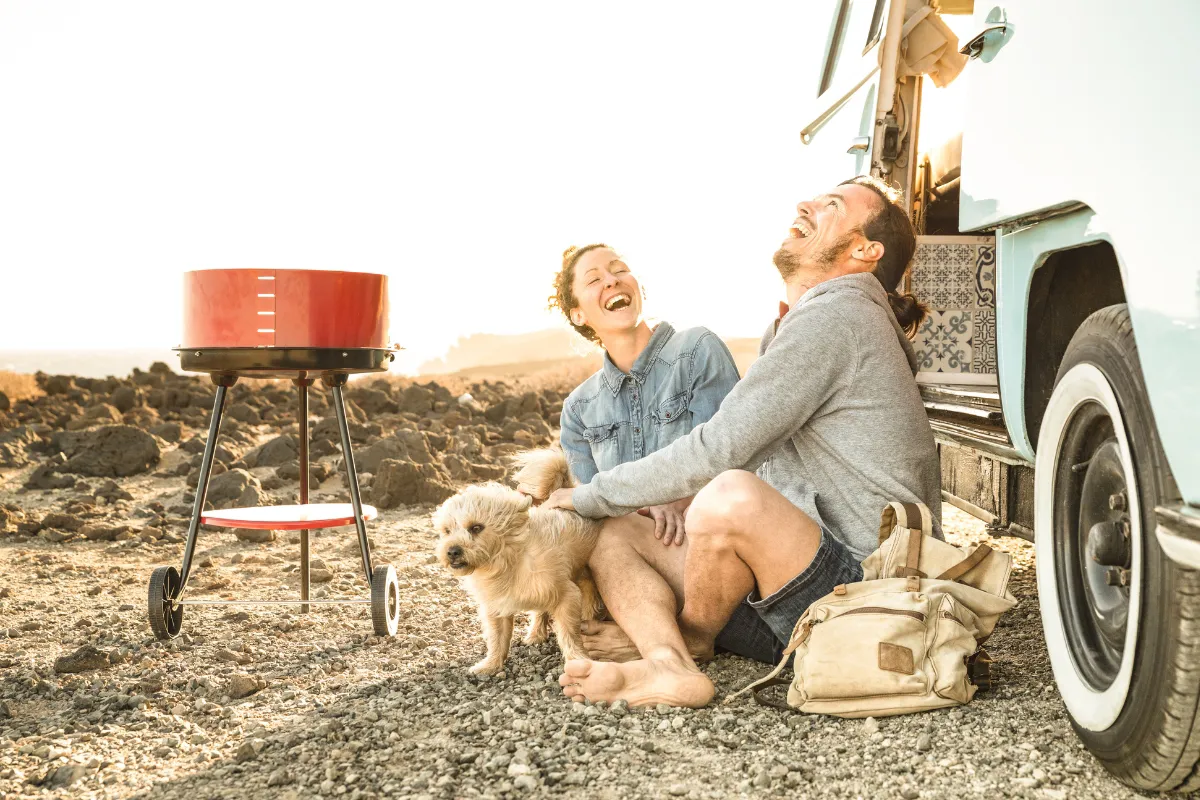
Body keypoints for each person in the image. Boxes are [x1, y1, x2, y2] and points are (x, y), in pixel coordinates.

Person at [543, 176, 942, 709]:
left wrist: (590, 493)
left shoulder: (840, 316)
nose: (806, 204)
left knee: (729, 493)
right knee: (613, 532)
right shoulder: (803, 322)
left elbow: (721, 449)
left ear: (864, 251)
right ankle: (670, 664)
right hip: (793, 589)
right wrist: (621, 505)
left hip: (863, 597)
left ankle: (691, 639)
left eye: (831, 206)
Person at [538, 244, 741, 553]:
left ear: (639, 287)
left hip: (707, 540)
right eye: (593, 280)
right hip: (627, 550)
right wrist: (642, 510)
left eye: (619, 270)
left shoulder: (698, 349)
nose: (611, 280)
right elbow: (589, 506)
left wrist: (674, 499)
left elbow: (726, 460)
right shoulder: (579, 409)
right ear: (578, 314)